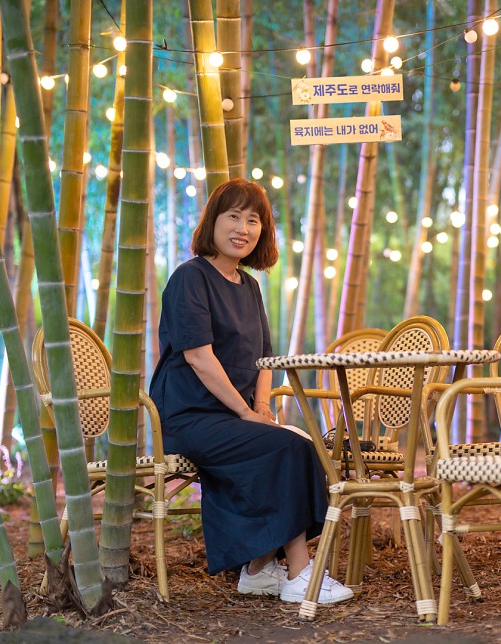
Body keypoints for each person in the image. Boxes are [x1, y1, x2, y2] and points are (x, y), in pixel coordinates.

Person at [149, 178, 353, 605]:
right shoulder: (190, 279)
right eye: (234, 216)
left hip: (232, 416)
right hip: (188, 417)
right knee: (286, 449)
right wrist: (246, 414)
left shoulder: (249, 285)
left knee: (299, 442)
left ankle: (260, 570)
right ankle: (301, 575)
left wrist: (261, 407)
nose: (243, 228)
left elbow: (265, 358)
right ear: (213, 222)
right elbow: (199, 358)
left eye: (253, 220)